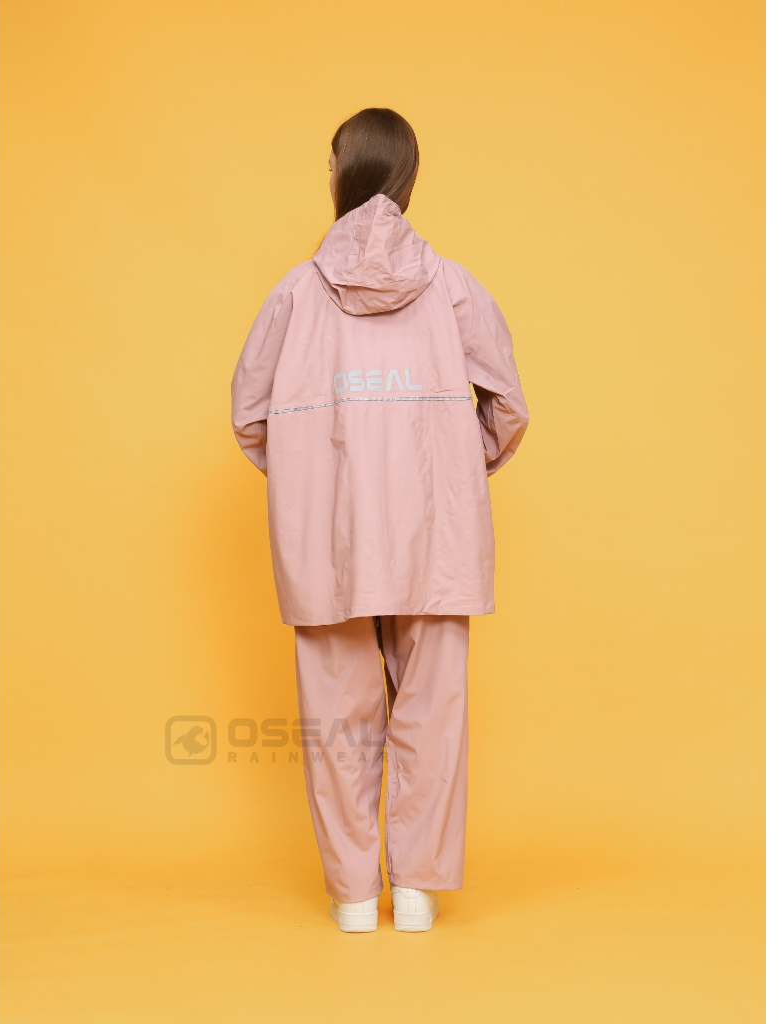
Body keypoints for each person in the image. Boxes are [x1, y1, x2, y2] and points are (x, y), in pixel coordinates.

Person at [231, 108, 528, 933]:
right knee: (433, 709)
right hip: (438, 535)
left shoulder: (294, 293)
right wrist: (458, 472)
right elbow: (508, 406)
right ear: (407, 178)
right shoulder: (455, 286)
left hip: (326, 540)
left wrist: (312, 486)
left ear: (342, 173)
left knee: (338, 715)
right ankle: (420, 893)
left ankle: (356, 898)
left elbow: (249, 416)